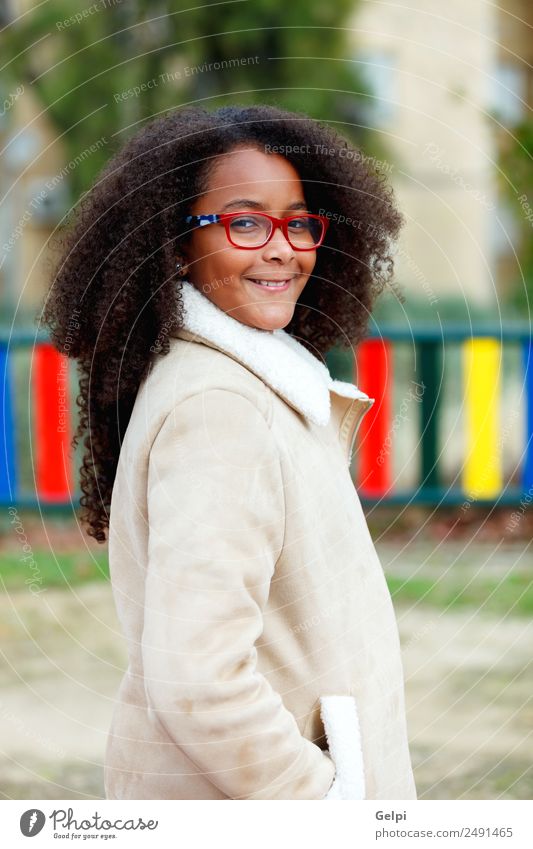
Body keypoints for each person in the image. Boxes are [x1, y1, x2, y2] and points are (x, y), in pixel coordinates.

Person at [41, 103, 417, 800]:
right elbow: (197, 676)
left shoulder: (248, 381)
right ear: (176, 244)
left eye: (298, 220)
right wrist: (323, 801)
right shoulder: (221, 410)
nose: (282, 247)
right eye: (244, 221)